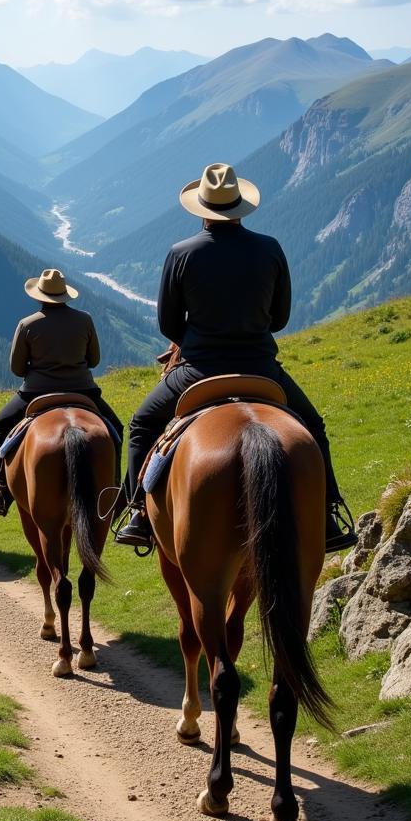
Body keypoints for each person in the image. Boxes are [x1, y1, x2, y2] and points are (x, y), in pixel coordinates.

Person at [114, 163, 357, 553]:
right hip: (262, 367)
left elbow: (168, 323)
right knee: (313, 424)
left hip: (196, 370)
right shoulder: (270, 248)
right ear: (240, 205)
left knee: (142, 424)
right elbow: (279, 318)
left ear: (201, 208)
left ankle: (138, 512)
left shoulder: (181, 253)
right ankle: (328, 516)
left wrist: (197, 341)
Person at [0, 269, 123, 516]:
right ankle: (115, 489)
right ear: (65, 295)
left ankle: (0, 488)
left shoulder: (27, 324)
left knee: (0, 426)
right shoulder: (85, 319)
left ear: (39, 296)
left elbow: (16, 369)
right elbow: (94, 360)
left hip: (36, 392)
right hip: (83, 390)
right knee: (117, 429)